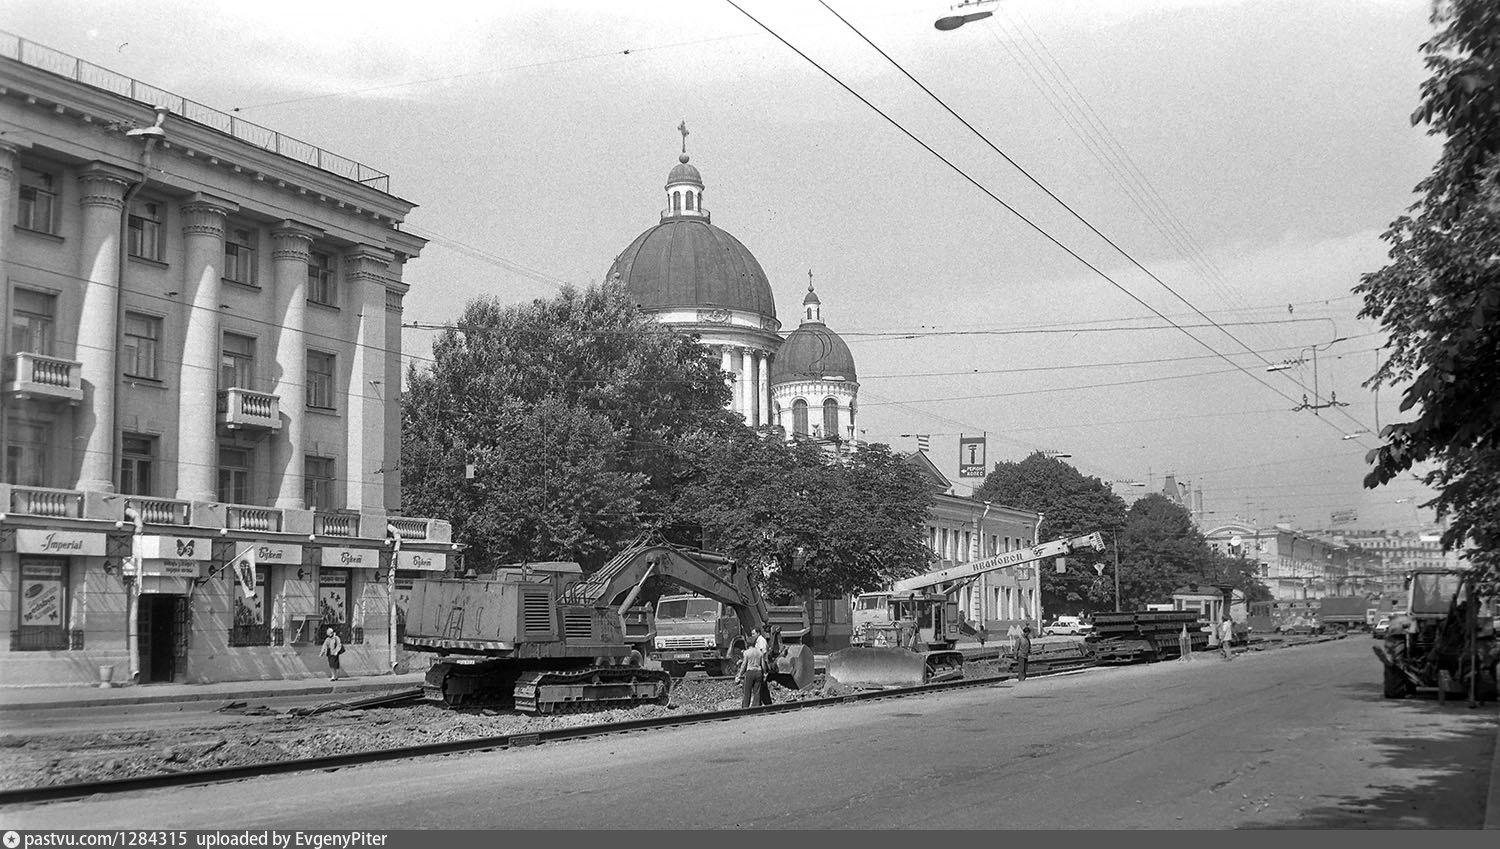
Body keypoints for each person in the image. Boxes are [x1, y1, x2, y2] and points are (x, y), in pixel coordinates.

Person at [736, 638, 767, 707]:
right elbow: (763, 664)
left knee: (747, 691)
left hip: (750, 671)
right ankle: (756, 707)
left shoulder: (747, 652)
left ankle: (745, 707)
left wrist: (740, 674)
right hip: (759, 672)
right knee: (757, 692)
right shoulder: (759, 652)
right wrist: (764, 673)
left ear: (747, 644)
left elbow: (744, 664)